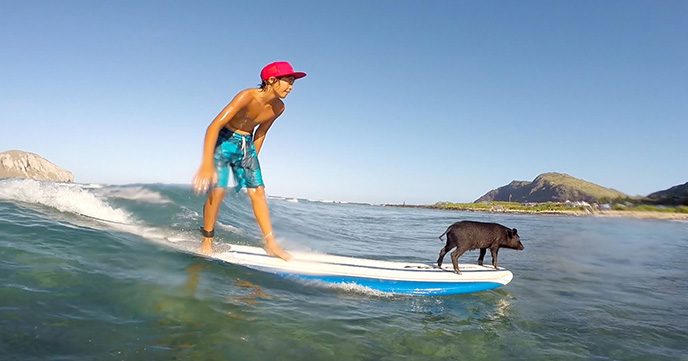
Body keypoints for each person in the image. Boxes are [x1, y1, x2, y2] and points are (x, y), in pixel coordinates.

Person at [192, 61, 307, 260]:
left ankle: (272, 245)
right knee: (218, 190)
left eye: (292, 83)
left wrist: (252, 158)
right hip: (224, 138)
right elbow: (214, 125)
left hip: (246, 144)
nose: (291, 87)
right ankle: (207, 241)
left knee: (258, 191)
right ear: (271, 80)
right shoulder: (247, 96)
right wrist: (206, 164)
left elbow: (261, 132)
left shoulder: (279, 108)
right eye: (287, 81)